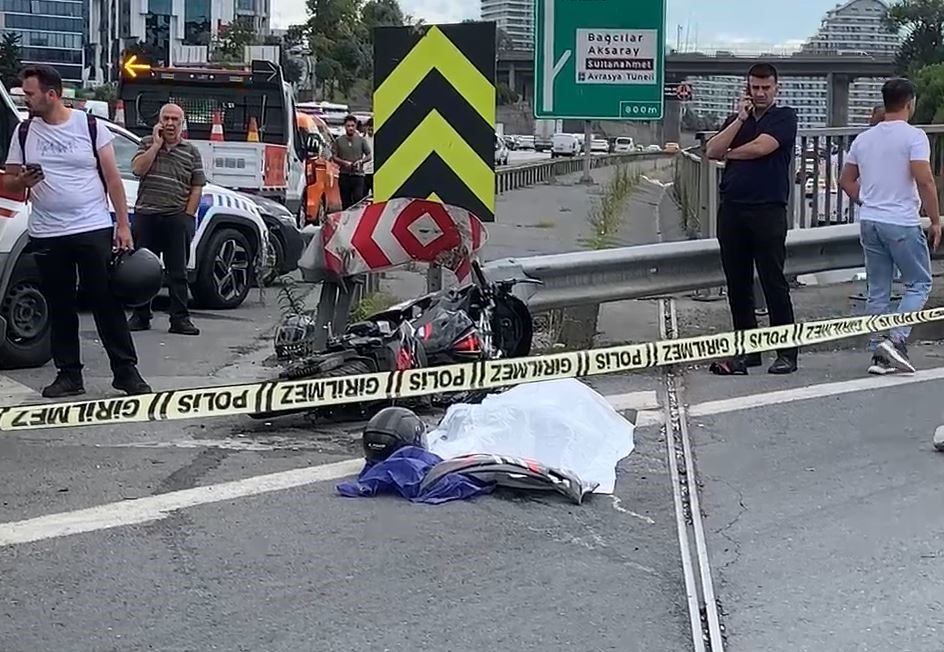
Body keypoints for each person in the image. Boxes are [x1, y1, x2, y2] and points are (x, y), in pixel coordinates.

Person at [3, 65, 151, 397]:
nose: (24, 99)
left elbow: (113, 178)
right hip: (46, 231)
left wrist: (123, 225)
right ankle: (69, 374)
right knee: (60, 304)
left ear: (51, 94)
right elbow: (10, 179)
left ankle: (126, 372)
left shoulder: (89, 126)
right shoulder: (25, 132)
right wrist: (22, 181)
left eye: (29, 93)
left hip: (91, 226)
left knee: (105, 299)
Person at [839, 77, 941, 375]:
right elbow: (924, 179)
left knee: (878, 289)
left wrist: (867, 201)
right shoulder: (914, 136)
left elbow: (845, 180)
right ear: (911, 103)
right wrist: (935, 220)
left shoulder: (865, 138)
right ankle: (895, 341)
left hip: (870, 221)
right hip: (901, 222)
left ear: (885, 103)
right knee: (919, 283)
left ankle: (879, 354)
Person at [704, 62, 799, 375]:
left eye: (765, 87)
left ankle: (786, 352)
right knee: (738, 284)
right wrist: (739, 121)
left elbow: (762, 148)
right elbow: (710, 150)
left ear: (776, 87)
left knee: (773, 282)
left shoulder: (784, 117)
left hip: (767, 210)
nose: (759, 93)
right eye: (754, 88)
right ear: (747, 88)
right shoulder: (736, 119)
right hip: (732, 209)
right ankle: (748, 351)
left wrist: (729, 152)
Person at [127, 103, 205, 336]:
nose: (170, 124)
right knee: (142, 270)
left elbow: (197, 186)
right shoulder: (146, 144)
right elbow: (138, 170)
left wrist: (187, 216)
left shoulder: (191, 151)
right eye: (166, 119)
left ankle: (180, 319)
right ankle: (141, 316)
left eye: (175, 120)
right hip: (146, 216)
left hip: (176, 218)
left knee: (177, 272)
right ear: (159, 122)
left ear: (182, 124)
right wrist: (156, 145)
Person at [332, 114, 371, 208]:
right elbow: (334, 157)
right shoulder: (338, 141)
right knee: (346, 202)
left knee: (358, 199)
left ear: (356, 126)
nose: (350, 128)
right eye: (348, 126)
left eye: (352, 126)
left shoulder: (361, 140)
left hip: (358, 176)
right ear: (344, 126)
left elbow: (369, 155)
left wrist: (361, 161)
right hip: (344, 175)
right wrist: (344, 162)